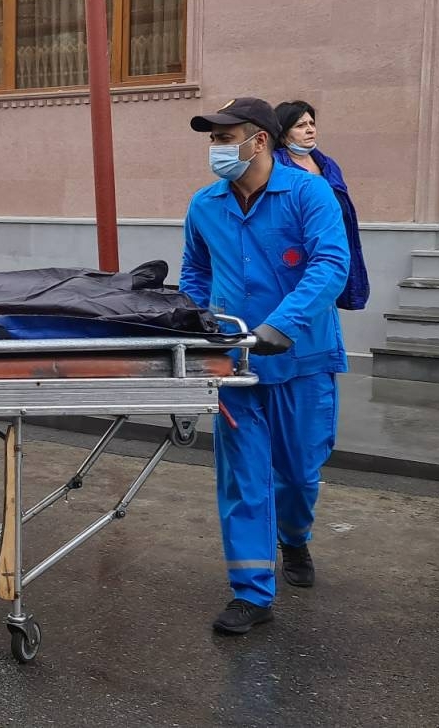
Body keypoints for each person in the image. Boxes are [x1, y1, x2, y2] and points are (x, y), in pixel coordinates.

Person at [180, 97, 350, 635]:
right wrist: (197, 325)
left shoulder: (309, 193)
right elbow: (195, 272)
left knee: (298, 475)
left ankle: (294, 537)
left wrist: (284, 323)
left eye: (224, 138)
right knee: (244, 479)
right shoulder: (204, 205)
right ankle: (251, 592)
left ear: (259, 141)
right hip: (236, 366)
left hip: (301, 359)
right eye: (212, 139)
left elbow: (331, 264)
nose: (215, 148)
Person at [273, 101, 369, 311]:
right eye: (300, 126)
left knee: (323, 306)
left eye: (312, 123)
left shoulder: (328, 164)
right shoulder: (274, 166)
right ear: (282, 133)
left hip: (330, 244)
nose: (310, 130)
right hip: (293, 253)